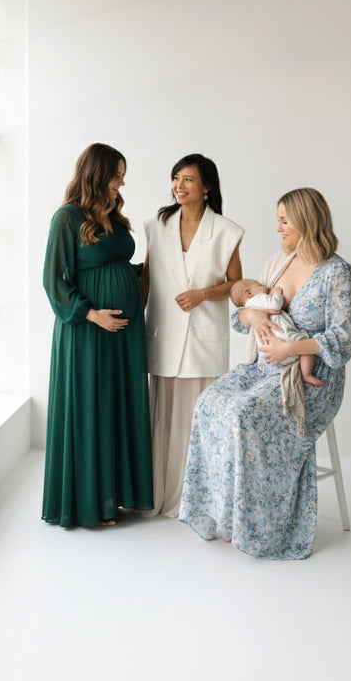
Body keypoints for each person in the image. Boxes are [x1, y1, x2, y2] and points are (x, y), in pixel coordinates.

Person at [180, 187, 351, 559]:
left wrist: (290, 349)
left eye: (284, 220)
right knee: (209, 402)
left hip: (311, 378)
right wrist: (253, 314)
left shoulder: (338, 274)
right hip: (262, 367)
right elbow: (242, 315)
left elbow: (345, 339)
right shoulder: (280, 263)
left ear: (306, 221)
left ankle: (260, 523)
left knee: (244, 412)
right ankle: (227, 514)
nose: (278, 228)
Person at [42, 143, 153, 528]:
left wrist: (146, 271)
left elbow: (118, 266)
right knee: (93, 407)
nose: (121, 182)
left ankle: (116, 496)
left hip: (122, 336)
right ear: (97, 174)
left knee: (116, 407)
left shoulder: (115, 217)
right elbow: (53, 280)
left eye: (122, 175)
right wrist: (91, 314)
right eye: (116, 175)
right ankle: (90, 504)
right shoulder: (67, 218)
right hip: (86, 333)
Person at [143, 154, 244, 518]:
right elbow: (147, 277)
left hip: (204, 341)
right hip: (164, 336)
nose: (179, 186)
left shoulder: (227, 231)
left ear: (206, 187)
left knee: (199, 421)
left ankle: (198, 501)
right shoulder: (157, 225)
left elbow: (236, 285)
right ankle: (159, 495)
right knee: (164, 420)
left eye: (188, 179)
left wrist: (203, 294)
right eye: (176, 178)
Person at [230, 278, 323, 438]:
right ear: (248, 293)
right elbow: (275, 304)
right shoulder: (257, 301)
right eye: (260, 285)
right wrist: (276, 294)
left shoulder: (252, 306)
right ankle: (306, 373)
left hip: (270, 354)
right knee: (305, 344)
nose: (265, 286)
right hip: (285, 339)